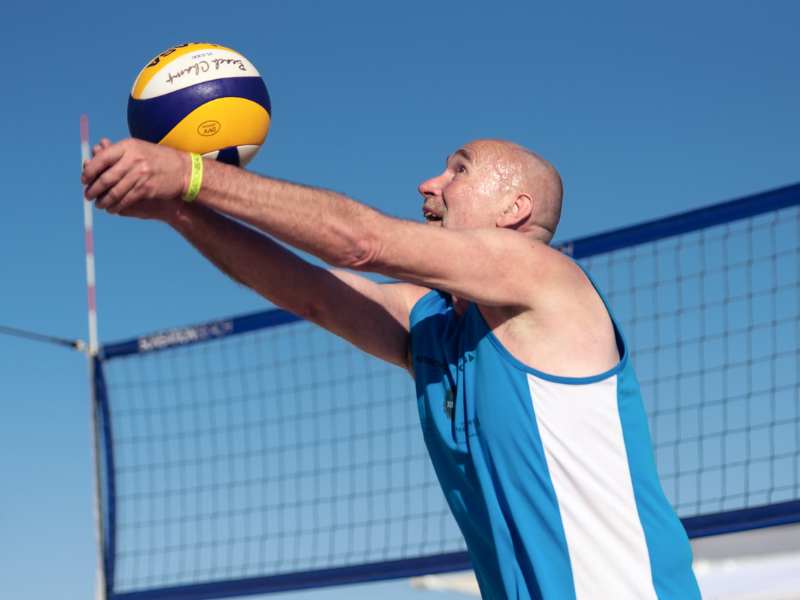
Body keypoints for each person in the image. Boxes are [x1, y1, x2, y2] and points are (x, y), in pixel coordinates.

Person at [82, 137, 701, 600]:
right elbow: (313, 293)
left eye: (458, 169)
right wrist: (175, 210)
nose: (428, 183)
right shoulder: (434, 325)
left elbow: (360, 240)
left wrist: (191, 174)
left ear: (516, 209)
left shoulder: (544, 278)